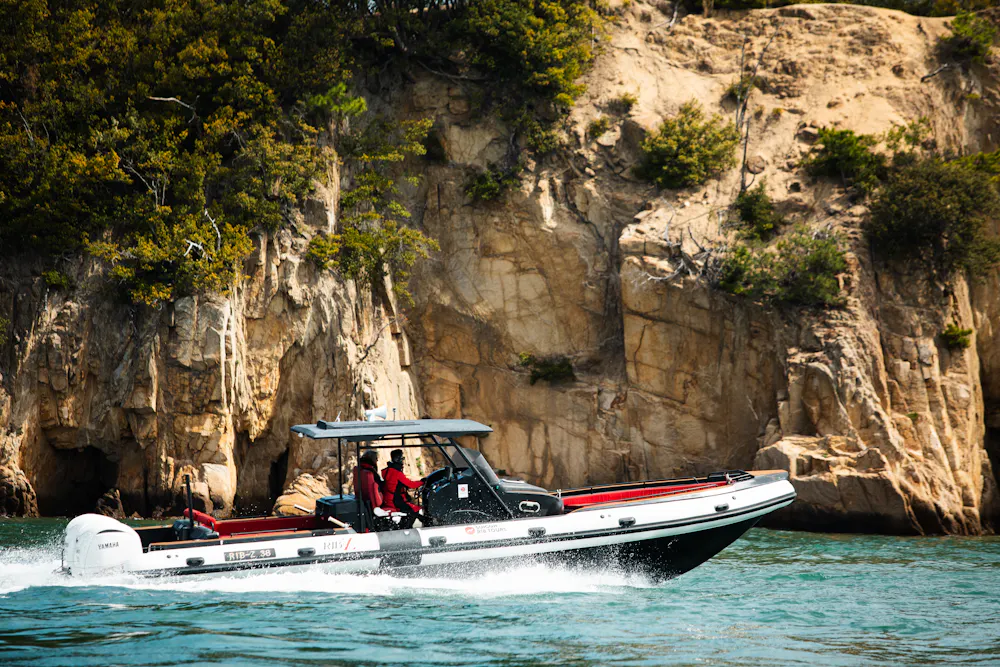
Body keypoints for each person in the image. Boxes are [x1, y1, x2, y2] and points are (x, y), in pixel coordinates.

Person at [381, 448, 423, 529]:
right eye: (402, 458)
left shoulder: (388, 470)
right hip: (394, 500)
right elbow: (410, 484)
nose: (403, 460)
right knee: (414, 510)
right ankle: (406, 528)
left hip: (388, 498)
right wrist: (422, 482)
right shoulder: (397, 473)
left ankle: (403, 526)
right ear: (398, 459)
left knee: (411, 508)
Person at [353, 449, 384, 516]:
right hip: (374, 501)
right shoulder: (370, 471)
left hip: (364, 498)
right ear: (372, 459)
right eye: (376, 458)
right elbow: (379, 485)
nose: (377, 460)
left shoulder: (360, 469)